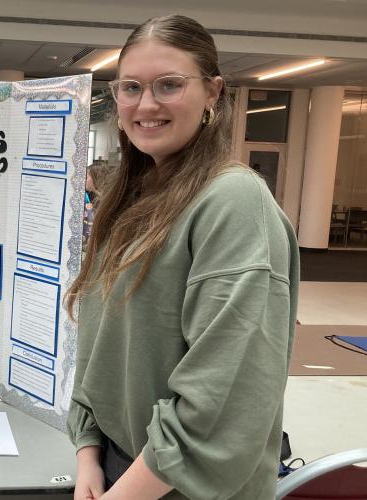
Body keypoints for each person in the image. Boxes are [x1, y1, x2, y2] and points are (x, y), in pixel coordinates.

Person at [65, 15, 299, 500]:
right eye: (131, 87)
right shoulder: (131, 198)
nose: (146, 104)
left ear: (213, 92)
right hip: (118, 464)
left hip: (183, 485)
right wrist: (88, 448)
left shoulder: (233, 202)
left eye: (169, 85)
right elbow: (100, 342)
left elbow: (224, 394)